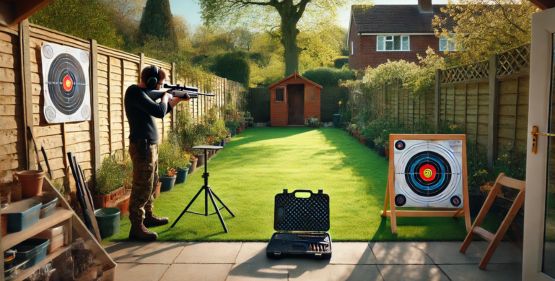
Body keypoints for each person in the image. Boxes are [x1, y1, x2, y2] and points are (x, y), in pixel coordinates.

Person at [124, 65, 189, 241]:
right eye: (160, 84)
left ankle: (148, 217)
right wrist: (166, 96)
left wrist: (175, 100)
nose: (161, 87)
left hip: (150, 146)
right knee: (142, 186)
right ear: (152, 81)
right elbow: (159, 111)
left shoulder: (144, 95)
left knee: (152, 183)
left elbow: (161, 109)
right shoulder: (134, 92)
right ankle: (136, 227)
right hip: (142, 146)